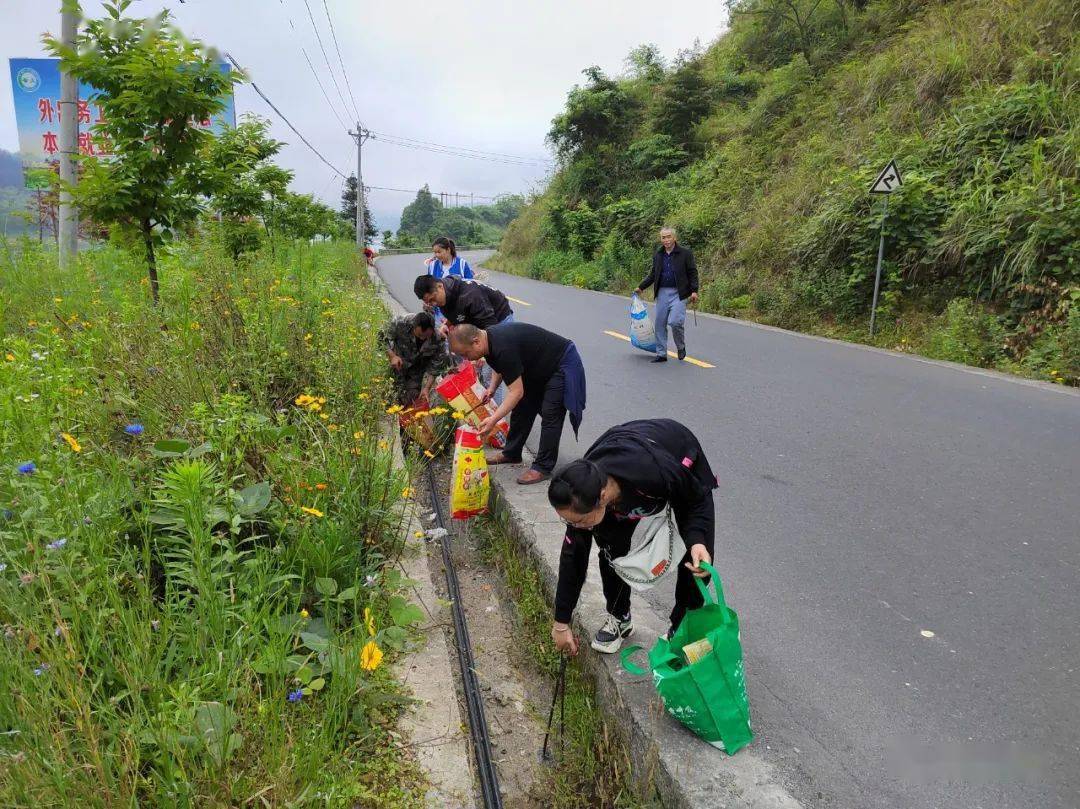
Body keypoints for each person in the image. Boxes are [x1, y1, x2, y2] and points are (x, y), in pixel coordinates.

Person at [545, 419, 718, 655]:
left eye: (578, 520)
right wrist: (561, 623)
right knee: (610, 551)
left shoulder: (654, 472)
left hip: (677, 459)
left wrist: (698, 540)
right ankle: (620, 617)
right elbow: (573, 557)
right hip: (625, 483)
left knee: (696, 561)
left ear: (602, 496)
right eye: (568, 521)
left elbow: (695, 500)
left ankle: (681, 628)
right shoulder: (581, 488)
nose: (574, 526)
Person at [448, 322, 585, 485]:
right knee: (522, 408)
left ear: (476, 341)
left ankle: (542, 467)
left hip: (560, 363)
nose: (466, 359)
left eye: (466, 353)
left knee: (551, 414)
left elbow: (516, 392)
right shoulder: (488, 340)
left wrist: (493, 420)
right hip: (537, 367)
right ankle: (512, 453)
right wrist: (492, 388)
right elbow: (500, 366)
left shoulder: (502, 346)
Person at [414, 274, 515, 405]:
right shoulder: (444, 296)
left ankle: (496, 419)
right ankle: (484, 413)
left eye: (433, 299)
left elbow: (492, 327)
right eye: (429, 302)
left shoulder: (470, 295)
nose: (433, 304)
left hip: (498, 321)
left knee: (491, 371)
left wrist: (483, 355)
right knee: (475, 371)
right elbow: (458, 313)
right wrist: (447, 325)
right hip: (477, 324)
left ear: (439, 286)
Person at [633, 227, 699, 363]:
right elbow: (653, 274)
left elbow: (692, 272)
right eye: (663, 237)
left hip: (679, 293)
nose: (666, 240)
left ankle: (680, 346)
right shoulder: (658, 255)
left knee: (675, 322)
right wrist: (641, 287)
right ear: (661, 239)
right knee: (660, 324)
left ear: (674, 238)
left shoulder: (685, 254)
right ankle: (661, 353)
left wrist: (694, 290)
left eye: (669, 236)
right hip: (662, 292)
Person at [377, 312, 454, 406]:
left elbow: (435, 368)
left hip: (416, 372)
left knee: (410, 401)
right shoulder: (400, 322)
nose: (422, 339)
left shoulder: (437, 339)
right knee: (385, 395)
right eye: (419, 335)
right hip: (398, 365)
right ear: (414, 326)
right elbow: (381, 337)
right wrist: (392, 355)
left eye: (426, 336)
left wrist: (426, 388)